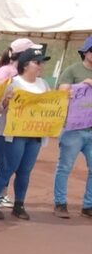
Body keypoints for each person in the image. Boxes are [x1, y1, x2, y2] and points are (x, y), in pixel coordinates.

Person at [0, 48, 52, 220]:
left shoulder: (43, 84)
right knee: (7, 169)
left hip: (34, 135)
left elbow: (50, 106)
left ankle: (19, 205)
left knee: (25, 171)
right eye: (37, 62)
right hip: (13, 134)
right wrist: (6, 101)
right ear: (25, 64)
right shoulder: (12, 83)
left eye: (41, 62)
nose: (41, 66)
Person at [53, 36, 92, 218]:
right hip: (73, 128)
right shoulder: (72, 70)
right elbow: (62, 92)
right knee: (65, 167)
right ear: (85, 52)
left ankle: (88, 205)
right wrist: (79, 87)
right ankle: (60, 203)